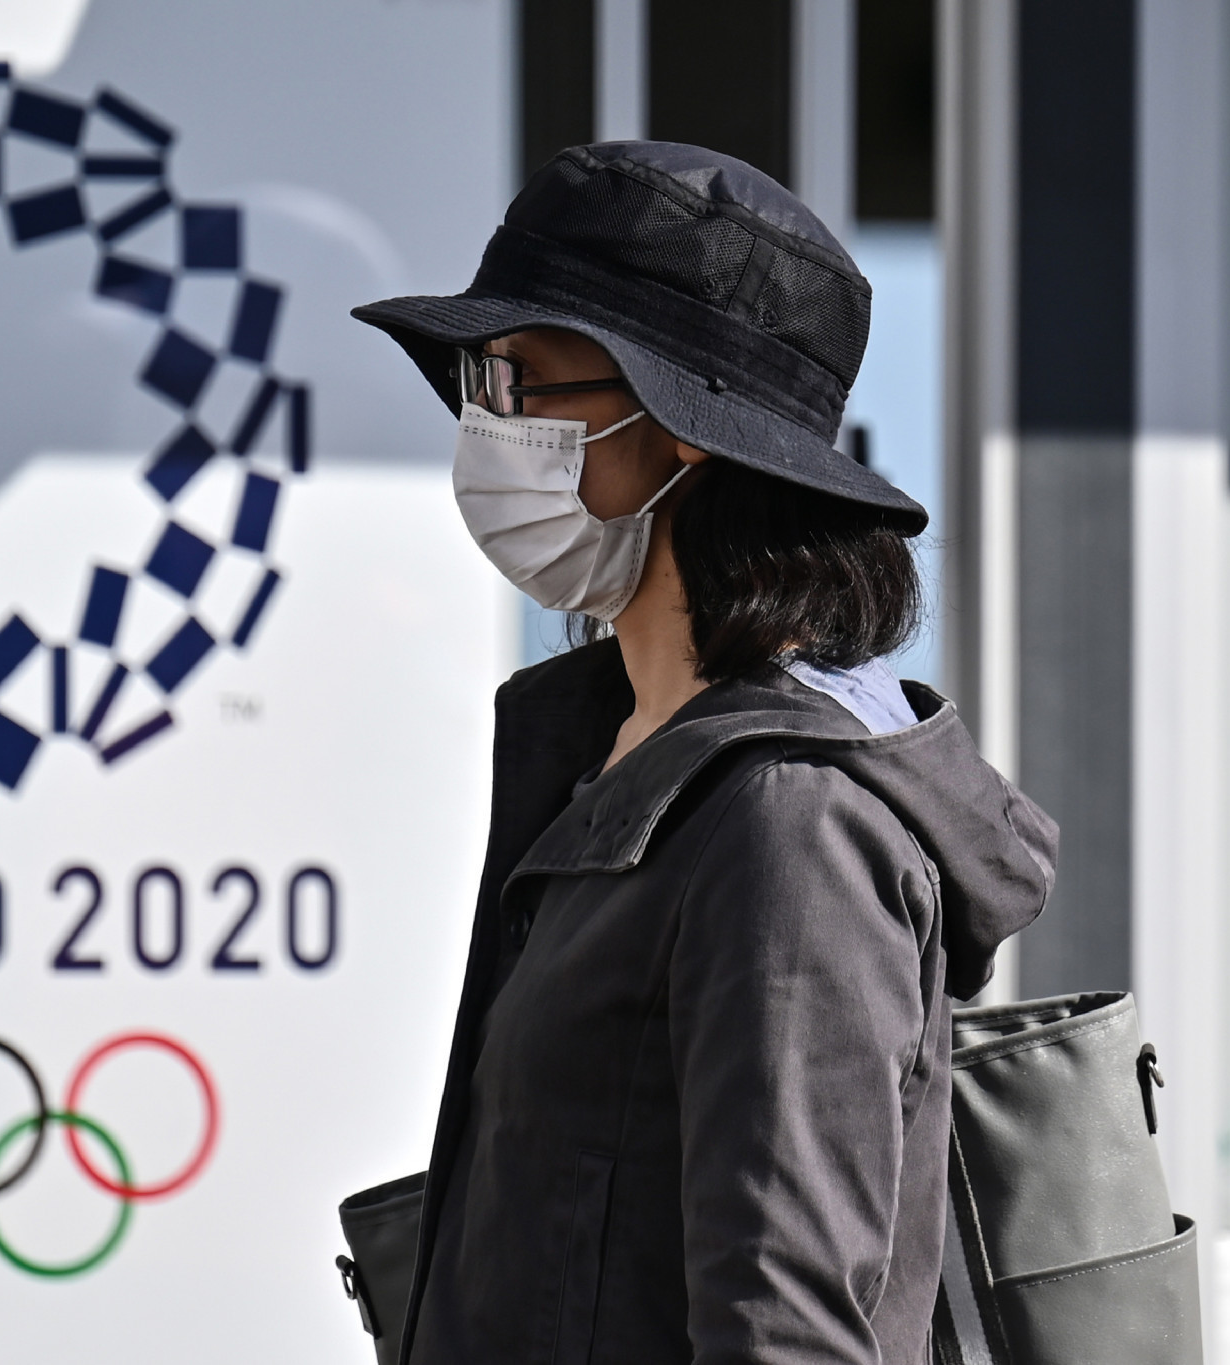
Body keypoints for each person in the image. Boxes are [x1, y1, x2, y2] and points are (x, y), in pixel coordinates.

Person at [351, 142, 1058, 1364]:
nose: (484, 424)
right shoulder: (607, 752)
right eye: (473, 381)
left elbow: (784, 1333)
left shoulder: (790, 826)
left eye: (519, 381)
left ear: (679, 429)